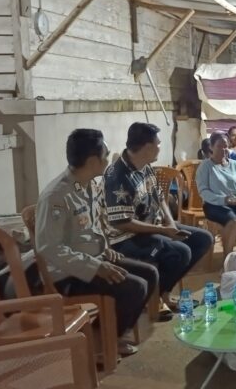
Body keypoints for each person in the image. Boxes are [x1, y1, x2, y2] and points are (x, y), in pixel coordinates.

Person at [35, 129, 159, 356]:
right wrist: (95, 267)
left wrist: (105, 249)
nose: (108, 159)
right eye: (105, 155)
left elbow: (92, 227)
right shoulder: (56, 196)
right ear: (93, 161)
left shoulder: (89, 185)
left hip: (96, 258)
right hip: (68, 274)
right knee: (134, 287)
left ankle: (112, 333)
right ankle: (102, 343)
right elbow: (49, 248)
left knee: (150, 273)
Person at [104, 122, 214, 313]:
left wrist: (170, 224)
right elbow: (123, 223)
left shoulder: (145, 166)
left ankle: (162, 291)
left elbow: (160, 197)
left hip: (153, 228)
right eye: (158, 143)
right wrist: (163, 230)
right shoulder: (118, 176)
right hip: (125, 238)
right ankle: (155, 298)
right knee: (180, 252)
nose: (160, 147)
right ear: (147, 147)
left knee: (203, 239)